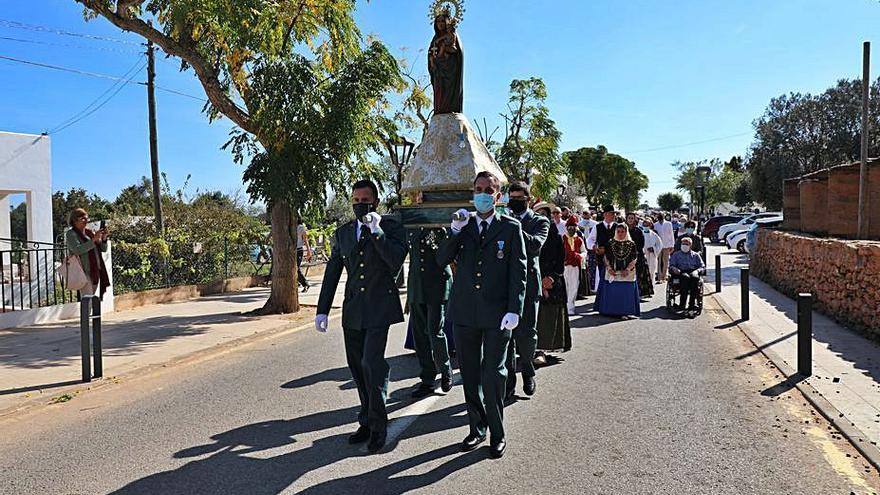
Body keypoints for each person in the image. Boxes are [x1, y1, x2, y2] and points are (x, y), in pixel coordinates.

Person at [438, 171, 527, 459]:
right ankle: (477, 428)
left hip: (498, 315)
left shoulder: (511, 229)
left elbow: (519, 273)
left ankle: (497, 433)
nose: (483, 193)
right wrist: (453, 231)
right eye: (478, 189)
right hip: (465, 313)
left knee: (493, 374)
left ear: (498, 196)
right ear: (472, 192)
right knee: (471, 375)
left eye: (489, 189)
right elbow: (441, 260)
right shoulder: (462, 226)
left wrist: (515, 309)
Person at [315, 179, 407, 454]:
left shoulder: (390, 227)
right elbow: (333, 272)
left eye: (364, 200)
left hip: (380, 308)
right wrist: (322, 309)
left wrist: (376, 231)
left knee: (372, 364)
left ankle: (379, 426)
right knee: (356, 367)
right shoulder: (343, 233)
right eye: (355, 200)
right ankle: (366, 420)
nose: (359, 204)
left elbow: (395, 260)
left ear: (375, 202)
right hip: (353, 310)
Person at [504, 182, 550, 401]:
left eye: (519, 198)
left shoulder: (539, 221)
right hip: (504, 285)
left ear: (528, 200)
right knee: (506, 336)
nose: (515, 201)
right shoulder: (502, 220)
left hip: (529, 284)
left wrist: (513, 226)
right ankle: (508, 382)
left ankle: (528, 369)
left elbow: (535, 245)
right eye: (512, 197)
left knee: (527, 334)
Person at [406, 227, 454, 398]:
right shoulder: (410, 227)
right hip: (417, 287)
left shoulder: (440, 225)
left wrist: (438, 231)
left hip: (437, 285)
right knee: (420, 336)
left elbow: (446, 255)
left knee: (435, 332)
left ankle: (446, 370)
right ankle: (427, 379)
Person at [533, 203, 571, 357]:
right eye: (538, 214)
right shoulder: (530, 234)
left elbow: (560, 260)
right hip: (533, 279)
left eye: (545, 214)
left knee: (548, 316)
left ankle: (542, 350)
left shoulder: (556, 236)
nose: (542, 217)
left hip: (552, 281)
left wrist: (551, 278)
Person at [596, 224, 641, 319]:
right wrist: (609, 268)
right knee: (613, 291)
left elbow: (634, 258)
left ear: (626, 232)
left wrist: (628, 269)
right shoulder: (610, 243)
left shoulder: (631, 244)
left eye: (622, 231)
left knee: (625, 292)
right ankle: (611, 311)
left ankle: (625, 312)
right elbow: (606, 257)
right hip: (613, 272)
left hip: (627, 273)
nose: (620, 234)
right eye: (618, 231)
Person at [65, 208, 110, 298]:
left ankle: (87, 312)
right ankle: (86, 312)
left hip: (95, 270)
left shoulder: (89, 232)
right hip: (83, 271)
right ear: (74, 220)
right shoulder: (71, 234)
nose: (86, 220)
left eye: (87, 218)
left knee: (90, 298)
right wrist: (94, 240)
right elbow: (77, 250)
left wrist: (104, 238)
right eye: (83, 218)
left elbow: (103, 249)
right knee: (87, 298)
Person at [587, 205, 618, 302]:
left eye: (614, 214)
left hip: (615, 257)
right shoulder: (597, 227)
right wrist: (594, 247)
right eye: (611, 213)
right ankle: (603, 299)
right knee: (603, 277)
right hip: (601, 257)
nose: (613, 215)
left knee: (615, 278)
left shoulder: (618, 227)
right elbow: (590, 240)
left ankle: (612, 299)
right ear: (605, 214)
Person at [669, 237, 705, 315]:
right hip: (681, 272)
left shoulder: (695, 255)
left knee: (695, 279)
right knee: (685, 278)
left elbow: (702, 266)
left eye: (687, 244)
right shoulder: (676, 254)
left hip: (693, 271)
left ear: (690, 245)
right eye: (683, 244)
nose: (685, 245)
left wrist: (697, 271)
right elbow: (671, 265)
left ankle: (691, 305)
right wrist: (675, 269)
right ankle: (682, 305)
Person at [626, 212, 653, 299]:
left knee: (639, 275)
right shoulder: (623, 230)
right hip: (625, 255)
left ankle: (639, 293)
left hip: (637, 255)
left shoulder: (638, 231)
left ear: (635, 219)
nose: (630, 220)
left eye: (632, 218)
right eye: (629, 218)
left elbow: (641, 244)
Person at [562, 216, 585, 315]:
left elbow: (584, 252)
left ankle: (570, 307)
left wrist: (579, 256)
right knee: (565, 286)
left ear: (576, 228)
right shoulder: (562, 238)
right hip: (564, 266)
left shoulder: (579, 239)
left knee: (574, 286)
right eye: (569, 227)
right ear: (566, 228)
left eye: (573, 227)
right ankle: (564, 306)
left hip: (575, 266)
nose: (571, 229)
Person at [642, 218, 664, 287]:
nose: (645, 226)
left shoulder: (654, 235)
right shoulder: (640, 233)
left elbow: (660, 244)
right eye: (644, 225)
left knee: (651, 271)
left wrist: (654, 249)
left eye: (647, 225)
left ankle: (651, 286)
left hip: (651, 255)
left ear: (650, 225)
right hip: (643, 255)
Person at [654, 214, 675, 282]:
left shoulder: (668, 224)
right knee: (658, 261)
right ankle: (659, 276)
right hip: (658, 245)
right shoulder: (655, 225)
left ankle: (664, 276)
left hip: (667, 245)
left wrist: (672, 245)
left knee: (665, 261)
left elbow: (671, 234)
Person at [296, 222, 312, 292]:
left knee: (296, 268)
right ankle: (297, 283)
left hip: (299, 250)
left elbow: (305, 240)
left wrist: (309, 251)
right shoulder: (287, 226)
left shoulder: (301, 227)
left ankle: (305, 284)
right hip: (290, 251)